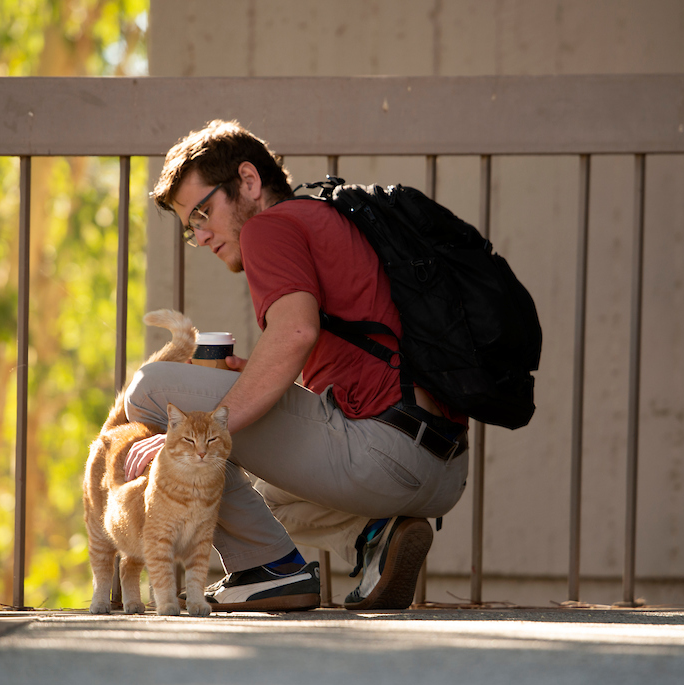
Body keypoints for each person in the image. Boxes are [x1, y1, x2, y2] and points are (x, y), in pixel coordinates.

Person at [122, 119, 469, 612]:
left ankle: (268, 570)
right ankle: (376, 535)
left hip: (385, 454)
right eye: (189, 227)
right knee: (266, 499)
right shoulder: (329, 216)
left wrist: (210, 425)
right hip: (442, 466)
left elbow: (295, 332)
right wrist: (251, 380)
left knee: (151, 388)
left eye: (203, 212)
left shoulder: (269, 227)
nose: (201, 235)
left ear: (248, 181)